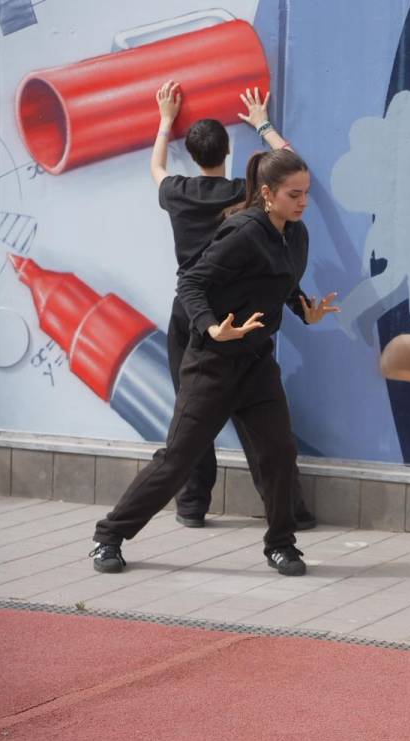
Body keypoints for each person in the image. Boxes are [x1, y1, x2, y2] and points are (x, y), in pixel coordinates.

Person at [90, 148, 340, 577]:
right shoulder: (242, 233)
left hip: (257, 364)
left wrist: (304, 310)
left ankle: (281, 544)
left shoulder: (295, 234)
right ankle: (108, 536)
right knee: (178, 460)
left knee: (279, 453)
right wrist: (210, 328)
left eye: (306, 194)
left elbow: (281, 281)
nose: (302, 202)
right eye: (294, 194)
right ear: (267, 193)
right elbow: (191, 282)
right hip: (213, 364)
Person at [150, 80, 317, 530]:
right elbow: (291, 166)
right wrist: (263, 124)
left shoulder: (179, 193)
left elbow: (157, 168)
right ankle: (288, 509)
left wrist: (166, 119)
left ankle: (191, 506)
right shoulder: (244, 198)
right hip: (242, 316)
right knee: (259, 425)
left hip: (190, 315)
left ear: (194, 153)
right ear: (227, 152)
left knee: (191, 415)